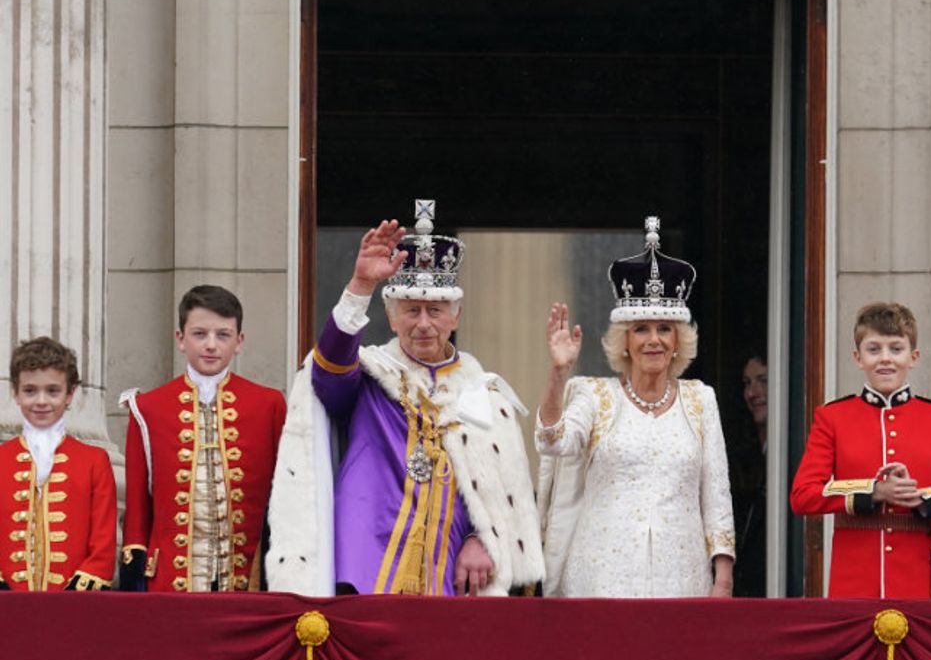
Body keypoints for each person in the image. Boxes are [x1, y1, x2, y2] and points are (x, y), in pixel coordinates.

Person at [266, 200, 544, 596]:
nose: (424, 324)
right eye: (411, 310)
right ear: (392, 317)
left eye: (435, 310)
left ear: (456, 316)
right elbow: (327, 372)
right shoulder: (369, 377)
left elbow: (497, 489)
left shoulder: (486, 395)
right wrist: (360, 286)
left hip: (449, 572)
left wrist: (483, 538)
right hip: (365, 563)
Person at [536, 216, 735, 598]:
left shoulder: (700, 399)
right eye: (641, 329)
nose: (653, 340)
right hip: (601, 576)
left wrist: (722, 578)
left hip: (683, 577)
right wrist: (558, 373)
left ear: (678, 339)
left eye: (664, 329)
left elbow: (716, 494)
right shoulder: (594, 395)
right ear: (624, 341)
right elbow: (551, 441)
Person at [790, 301, 931, 599]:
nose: (885, 359)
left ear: (913, 357)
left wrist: (924, 499)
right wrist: (873, 493)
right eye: (874, 349)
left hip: (918, 580)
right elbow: (802, 495)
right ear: (858, 358)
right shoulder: (832, 417)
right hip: (854, 583)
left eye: (895, 349)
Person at [119, 285, 286, 592]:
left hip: (247, 578)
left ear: (239, 341)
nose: (211, 345)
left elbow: (283, 495)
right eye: (199, 334)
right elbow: (138, 504)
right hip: (170, 579)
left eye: (223, 335)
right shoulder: (147, 408)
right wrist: (134, 571)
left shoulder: (269, 404)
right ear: (180, 339)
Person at [0, 337, 116, 590]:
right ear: (15, 393)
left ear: (70, 394)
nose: (41, 401)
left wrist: (75, 594)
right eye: (30, 391)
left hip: (74, 605)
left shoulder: (94, 460)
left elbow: (103, 543)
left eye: (53, 391)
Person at [729, 351, 767, 597]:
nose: (752, 393)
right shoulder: (744, 455)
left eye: (763, 381)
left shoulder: (793, 452)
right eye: (747, 383)